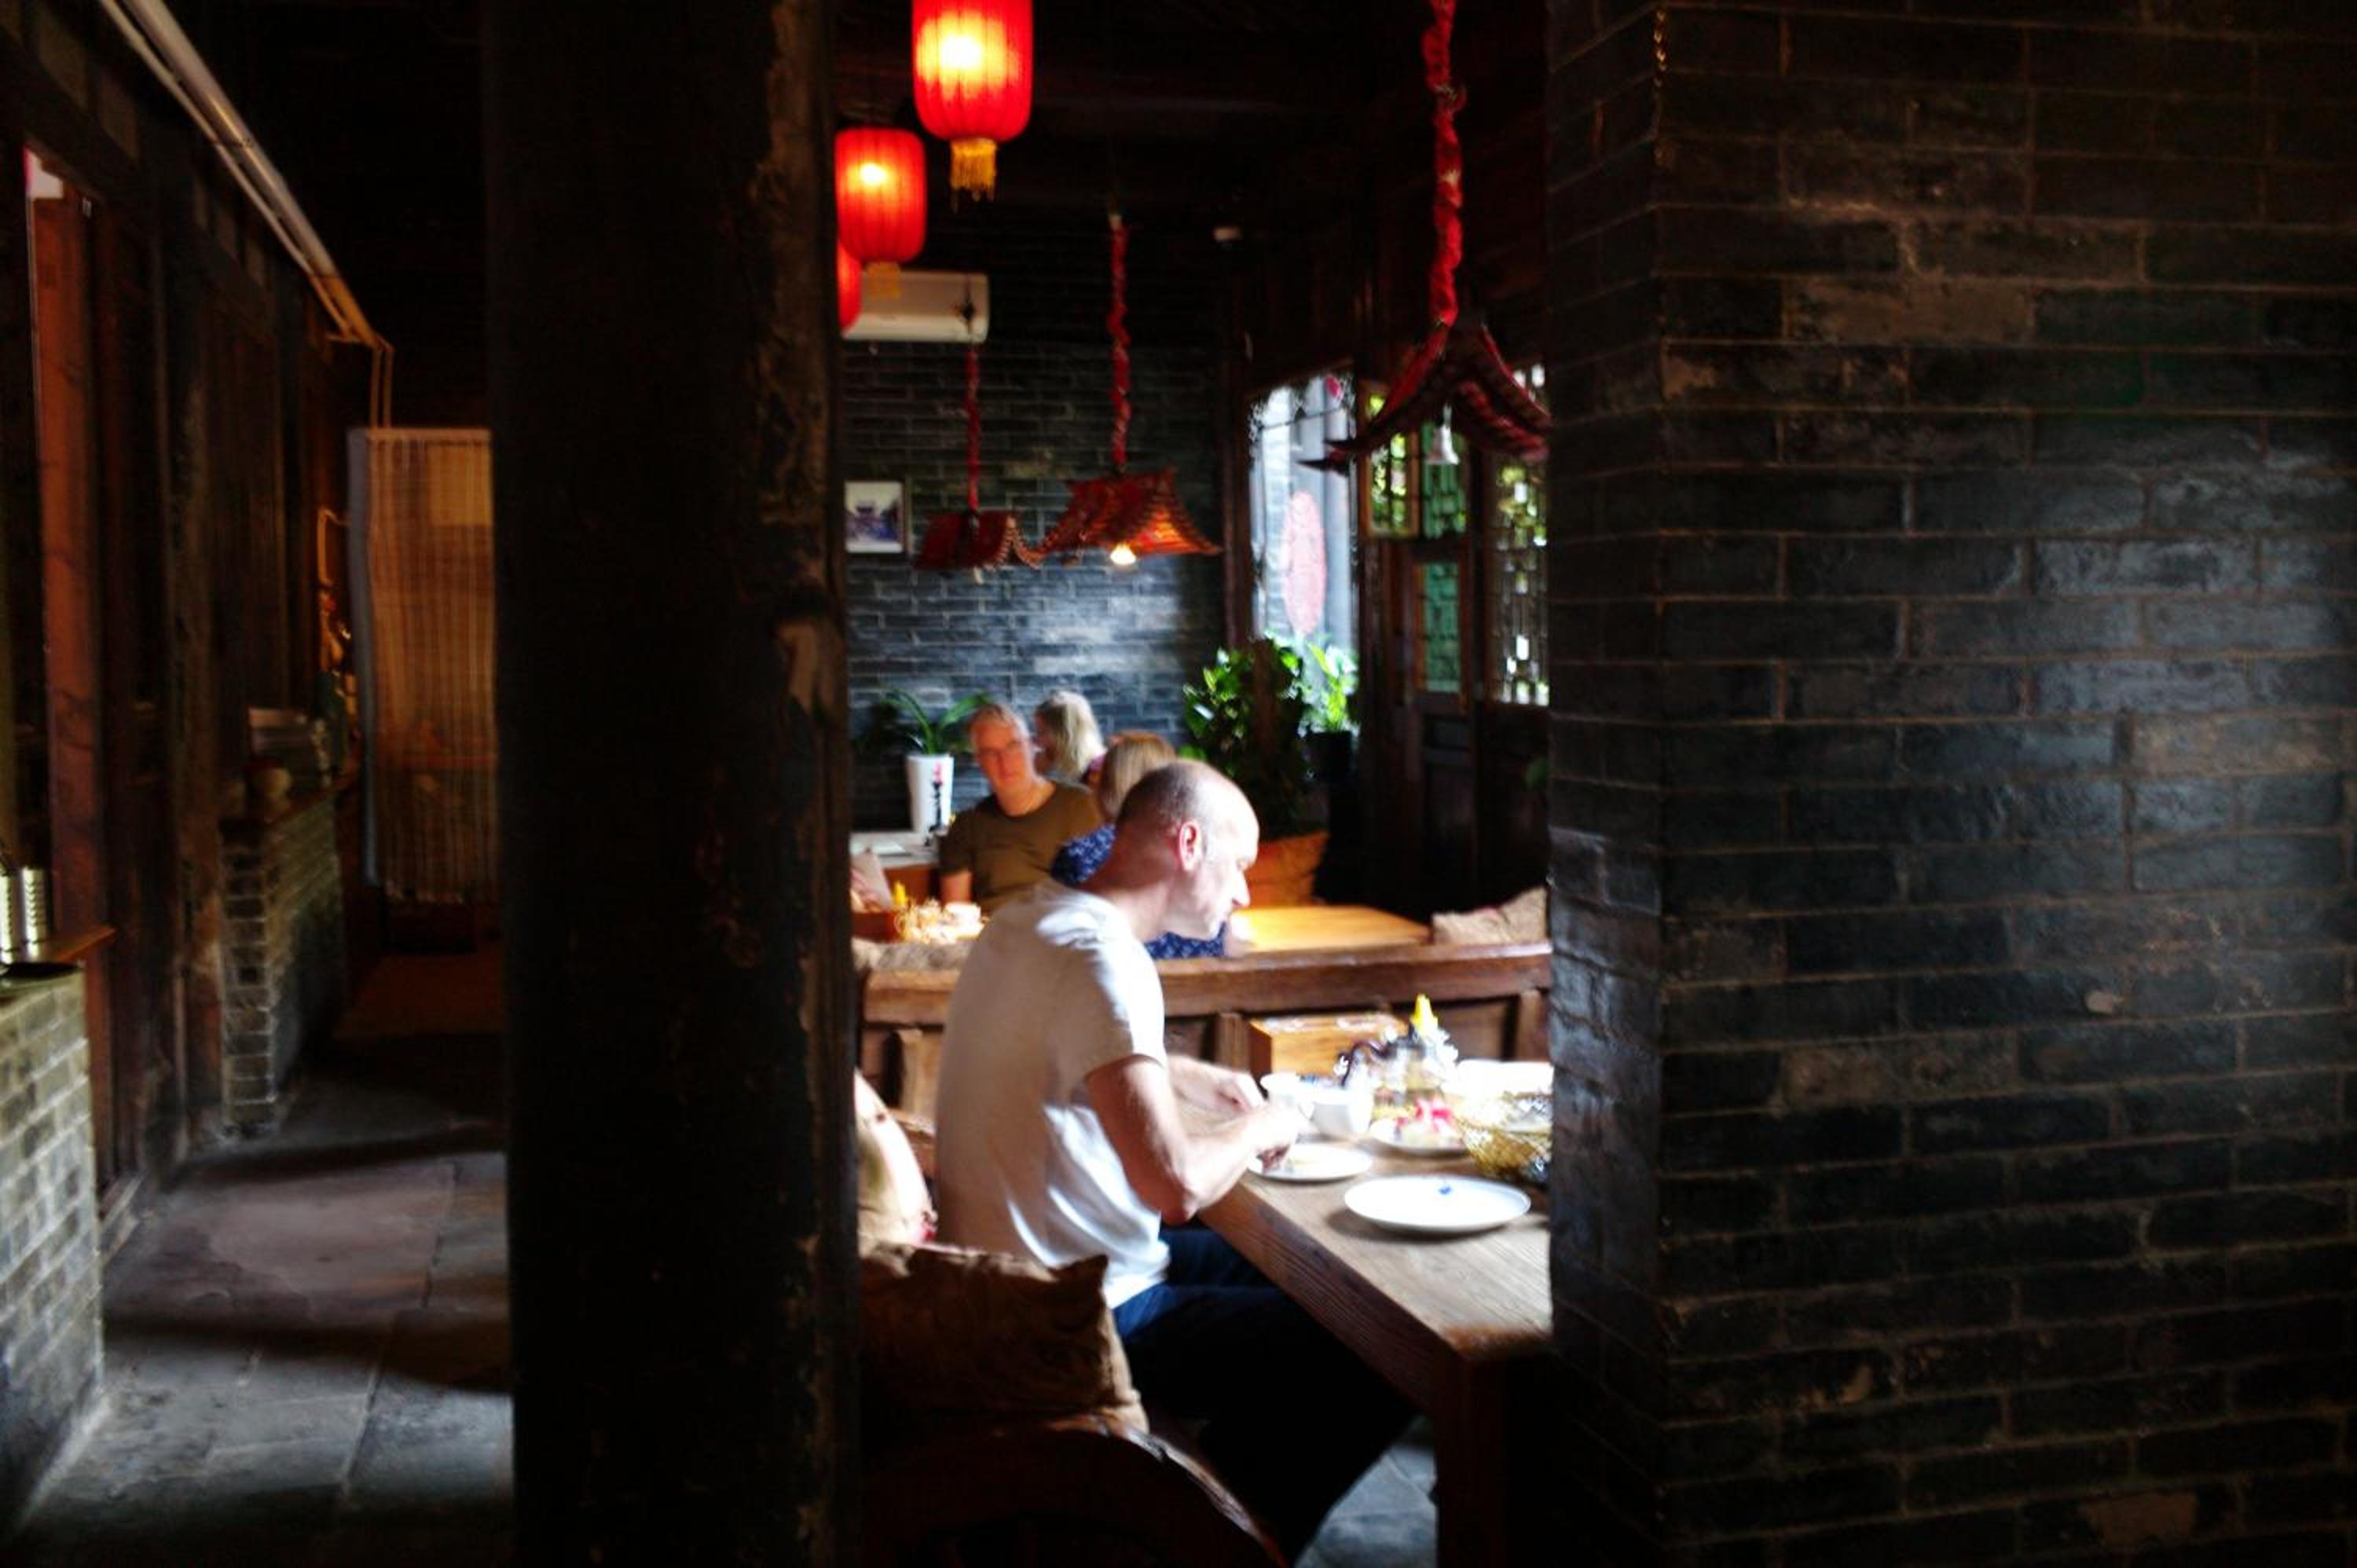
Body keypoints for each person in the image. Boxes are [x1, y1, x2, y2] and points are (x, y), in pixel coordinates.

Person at [935, 762, 1407, 1555]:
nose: (1244, 893)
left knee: (1310, 1283)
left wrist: (1180, 1072)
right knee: (1373, 1351)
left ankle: (1193, 1498)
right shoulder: (1106, 958)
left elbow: (1057, 1044)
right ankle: (1218, 1543)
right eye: (1240, 865)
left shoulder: (1027, 922)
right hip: (1079, 1314)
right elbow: (1176, 1186)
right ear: (1189, 844)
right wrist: (1270, 1121)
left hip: (1014, 1282)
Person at [1050, 731, 1224, 958]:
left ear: (1107, 786)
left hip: (1113, 978)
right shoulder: (1198, 851)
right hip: (1205, 977)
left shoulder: (1076, 857)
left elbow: (1056, 944)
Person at [935, 701, 1102, 915]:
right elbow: (955, 914)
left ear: (1031, 746)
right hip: (993, 932)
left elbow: (1102, 898)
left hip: (1060, 928)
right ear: (979, 761)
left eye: (1013, 746)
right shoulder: (966, 827)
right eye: (990, 753)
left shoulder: (1080, 807)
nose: (1004, 761)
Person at [1031, 688, 1105, 786]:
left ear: (1065, 736)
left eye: (1042, 732)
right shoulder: (1049, 761)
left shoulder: (1098, 772)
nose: (1036, 739)